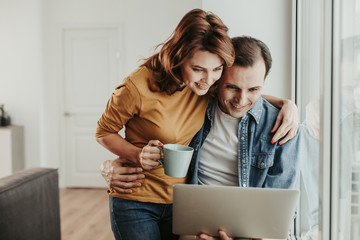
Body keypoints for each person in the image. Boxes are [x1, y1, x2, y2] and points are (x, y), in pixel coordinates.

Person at [96, 9, 298, 240]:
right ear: (180, 57)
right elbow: (103, 131)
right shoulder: (142, 87)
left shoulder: (206, 87)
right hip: (137, 199)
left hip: (180, 204)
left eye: (216, 70)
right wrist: (128, 157)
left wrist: (287, 104)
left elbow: (243, 94)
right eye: (198, 69)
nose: (208, 79)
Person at [189, 36, 302, 240]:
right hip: (201, 228)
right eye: (232, 87)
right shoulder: (193, 109)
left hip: (256, 232)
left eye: (253, 90)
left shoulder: (283, 124)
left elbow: (281, 208)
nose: (241, 100)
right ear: (218, 78)